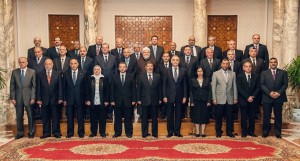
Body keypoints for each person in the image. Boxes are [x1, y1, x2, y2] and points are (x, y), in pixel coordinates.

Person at [261, 58, 288, 139]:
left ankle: (278, 132)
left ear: (277, 63)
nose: (273, 63)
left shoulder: (283, 72)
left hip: (279, 97)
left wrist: (278, 93)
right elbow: (262, 84)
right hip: (267, 97)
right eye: (271, 62)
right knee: (266, 116)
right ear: (269, 63)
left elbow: (285, 84)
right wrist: (270, 93)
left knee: (278, 115)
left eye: (274, 62)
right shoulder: (264, 73)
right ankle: (265, 132)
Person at [10, 57, 36, 139]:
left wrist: (33, 97)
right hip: (18, 98)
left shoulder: (32, 72)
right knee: (19, 116)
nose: (21, 63)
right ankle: (20, 132)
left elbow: (34, 86)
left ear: (27, 63)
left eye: (23, 62)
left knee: (30, 115)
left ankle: (31, 131)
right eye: (20, 62)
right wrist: (12, 98)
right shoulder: (15, 72)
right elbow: (12, 86)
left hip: (28, 97)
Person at [36, 59, 63, 139]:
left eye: (49, 64)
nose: (48, 66)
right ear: (44, 65)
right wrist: (38, 99)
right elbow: (38, 88)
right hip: (44, 100)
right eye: (46, 64)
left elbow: (60, 87)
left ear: (52, 64)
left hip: (55, 99)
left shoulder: (57, 73)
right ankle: (46, 133)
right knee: (45, 118)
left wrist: (60, 97)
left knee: (55, 117)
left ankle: (56, 132)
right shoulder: (40, 74)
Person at [211, 58, 238, 138]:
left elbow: (234, 86)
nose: (225, 65)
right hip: (219, 99)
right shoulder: (216, 73)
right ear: (221, 64)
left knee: (230, 117)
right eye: (224, 63)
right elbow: (213, 87)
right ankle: (218, 131)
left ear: (229, 64)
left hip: (230, 98)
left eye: (227, 63)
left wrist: (235, 97)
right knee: (218, 116)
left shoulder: (233, 73)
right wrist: (214, 98)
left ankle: (229, 132)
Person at [163, 55, 187, 138]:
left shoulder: (183, 71)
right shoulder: (167, 70)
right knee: (169, 114)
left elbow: (185, 85)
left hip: (180, 96)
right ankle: (170, 131)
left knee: (178, 114)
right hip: (169, 96)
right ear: (171, 61)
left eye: (177, 60)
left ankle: (177, 131)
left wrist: (184, 96)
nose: (175, 61)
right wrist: (164, 96)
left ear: (179, 62)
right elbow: (164, 84)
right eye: (174, 60)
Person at [110, 62, 136, 138]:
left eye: (123, 67)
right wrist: (112, 100)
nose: (122, 68)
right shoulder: (114, 77)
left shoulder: (131, 76)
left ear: (126, 68)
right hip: (117, 101)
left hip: (128, 101)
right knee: (117, 118)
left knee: (128, 117)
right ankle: (117, 132)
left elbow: (133, 89)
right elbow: (112, 89)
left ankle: (129, 132)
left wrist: (134, 99)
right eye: (120, 67)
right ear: (118, 68)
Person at [63, 59, 87, 138]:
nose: (73, 65)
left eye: (75, 63)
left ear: (78, 64)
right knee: (69, 116)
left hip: (80, 98)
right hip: (69, 98)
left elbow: (86, 87)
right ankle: (70, 132)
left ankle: (81, 132)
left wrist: (86, 99)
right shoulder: (66, 73)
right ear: (70, 65)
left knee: (80, 116)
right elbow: (63, 87)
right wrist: (64, 99)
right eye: (72, 64)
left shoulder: (83, 73)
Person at [137, 62, 162, 138]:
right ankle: (144, 133)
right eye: (148, 66)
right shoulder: (141, 76)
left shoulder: (157, 76)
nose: (150, 67)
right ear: (145, 67)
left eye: (151, 66)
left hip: (155, 100)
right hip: (144, 100)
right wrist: (138, 99)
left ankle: (155, 133)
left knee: (155, 118)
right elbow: (138, 89)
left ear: (153, 67)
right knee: (144, 118)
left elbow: (159, 89)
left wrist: (160, 98)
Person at [237, 61, 260, 138]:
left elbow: (258, 87)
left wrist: (252, 96)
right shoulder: (240, 76)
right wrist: (247, 97)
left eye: (250, 66)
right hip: (243, 99)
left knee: (252, 117)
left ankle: (251, 132)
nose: (248, 68)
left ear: (252, 67)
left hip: (253, 100)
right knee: (243, 117)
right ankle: (244, 132)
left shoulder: (256, 76)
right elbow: (239, 88)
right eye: (246, 66)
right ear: (243, 68)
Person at [94, 43, 117, 120]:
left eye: (106, 47)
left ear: (108, 48)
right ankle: (103, 112)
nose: (104, 49)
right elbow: (95, 69)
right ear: (101, 49)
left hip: (111, 80)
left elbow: (116, 69)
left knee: (111, 96)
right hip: (101, 81)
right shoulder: (97, 58)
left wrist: (115, 79)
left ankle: (110, 113)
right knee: (103, 96)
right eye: (103, 48)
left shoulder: (113, 57)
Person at [86, 65, 109, 138]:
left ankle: (102, 132)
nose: (96, 71)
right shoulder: (89, 78)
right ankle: (93, 132)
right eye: (95, 69)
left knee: (102, 118)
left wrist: (106, 100)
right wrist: (88, 100)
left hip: (102, 101)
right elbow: (87, 91)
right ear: (93, 70)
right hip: (92, 101)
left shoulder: (104, 78)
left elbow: (107, 90)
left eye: (98, 69)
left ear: (100, 70)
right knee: (93, 118)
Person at [190, 67, 211, 137]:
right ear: (196, 72)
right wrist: (192, 101)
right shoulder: (193, 80)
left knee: (204, 116)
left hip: (205, 101)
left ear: (203, 72)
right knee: (196, 116)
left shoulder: (207, 80)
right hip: (196, 101)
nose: (200, 73)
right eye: (198, 71)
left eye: (201, 71)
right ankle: (197, 132)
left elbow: (209, 91)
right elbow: (191, 92)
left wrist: (209, 101)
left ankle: (203, 132)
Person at [179, 45, 198, 118]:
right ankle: (183, 114)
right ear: (184, 51)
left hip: (192, 82)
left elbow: (197, 69)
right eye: (186, 50)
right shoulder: (180, 59)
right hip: (182, 82)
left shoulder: (195, 59)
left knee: (192, 98)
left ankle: (192, 114)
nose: (188, 51)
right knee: (184, 98)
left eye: (189, 50)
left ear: (191, 51)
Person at [156, 52, 171, 119]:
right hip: (161, 85)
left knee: (170, 100)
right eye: (164, 56)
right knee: (162, 100)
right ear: (162, 57)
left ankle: (169, 114)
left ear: (169, 57)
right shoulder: (159, 65)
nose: (166, 58)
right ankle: (162, 114)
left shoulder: (172, 64)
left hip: (171, 86)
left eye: (167, 56)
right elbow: (158, 75)